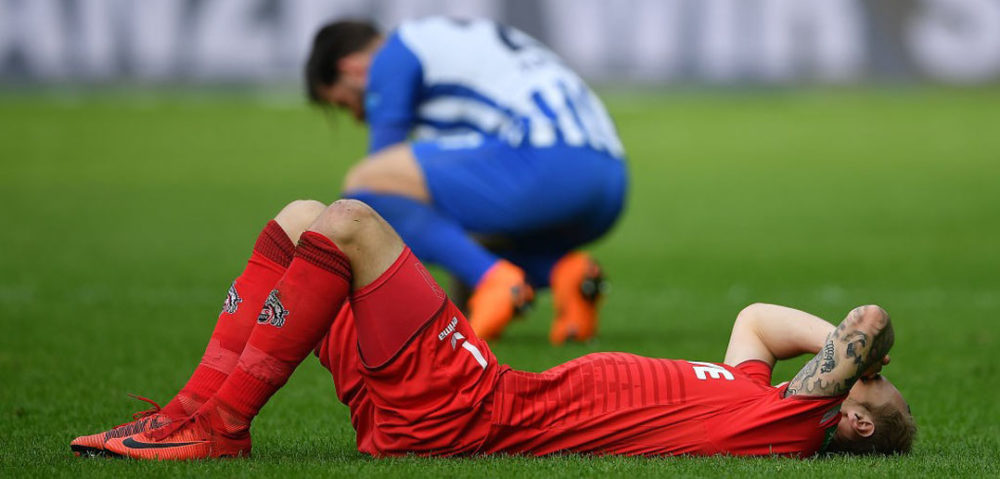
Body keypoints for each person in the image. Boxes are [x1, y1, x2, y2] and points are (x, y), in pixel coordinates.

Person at [71, 199, 915, 460]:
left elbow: (866, 320)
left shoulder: (791, 424)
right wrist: (837, 357)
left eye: (862, 375)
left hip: (473, 405)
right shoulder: (753, 395)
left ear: (854, 413)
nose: (845, 352)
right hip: (455, 403)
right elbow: (757, 320)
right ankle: (190, 414)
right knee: (301, 220)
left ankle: (215, 427)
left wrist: (868, 352)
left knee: (353, 223)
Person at [304, 17, 628, 343]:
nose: (359, 118)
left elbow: (379, 179)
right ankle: (564, 272)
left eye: (346, 104)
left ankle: (495, 281)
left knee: (367, 186)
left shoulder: (393, 55)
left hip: (545, 160)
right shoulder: (446, 45)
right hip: (610, 180)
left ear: (352, 70)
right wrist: (463, 314)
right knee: (442, 219)